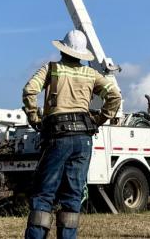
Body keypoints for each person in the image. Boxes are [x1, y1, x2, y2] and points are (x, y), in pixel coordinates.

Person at [21, 29, 122, 239]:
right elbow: (114, 95)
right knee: (73, 196)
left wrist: (34, 118)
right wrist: (99, 119)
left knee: (44, 195)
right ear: (82, 54)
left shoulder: (51, 69)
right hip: (83, 140)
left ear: (63, 50)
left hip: (58, 137)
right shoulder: (91, 75)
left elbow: (30, 90)